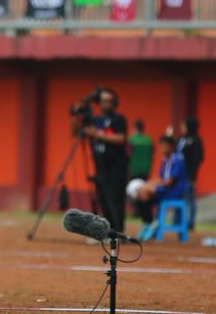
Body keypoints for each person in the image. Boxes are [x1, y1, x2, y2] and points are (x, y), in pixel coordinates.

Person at [79, 88, 129, 233]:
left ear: (115, 103)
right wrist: (77, 116)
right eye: (103, 101)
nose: (106, 104)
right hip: (100, 166)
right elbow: (77, 132)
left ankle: (118, 232)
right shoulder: (95, 120)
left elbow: (121, 138)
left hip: (117, 166)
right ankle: (107, 231)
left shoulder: (119, 119)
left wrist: (98, 135)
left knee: (115, 200)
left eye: (109, 101)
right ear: (99, 103)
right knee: (104, 201)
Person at [134, 135, 190, 241]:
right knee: (141, 192)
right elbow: (160, 178)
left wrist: (152, 188)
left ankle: (151, 224)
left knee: (145, 193)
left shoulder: (177, 160)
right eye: (161, 147)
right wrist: (148, 185)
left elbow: (170, 181)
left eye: (165, 146)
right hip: (166, 189)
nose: (162, 149)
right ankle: (148, 223)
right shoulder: (165, 159)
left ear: (171, 146)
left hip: (175, 191)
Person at [176, 117, 204, 230]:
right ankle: (177, 221)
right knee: (178, 198)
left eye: (184, 125)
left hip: (188, 174)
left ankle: (190, 222)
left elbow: (197, 158)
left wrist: (192, 176)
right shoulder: (181, 139)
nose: (182, 128)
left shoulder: (196, 140)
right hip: (177, 173)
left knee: (189, 198)